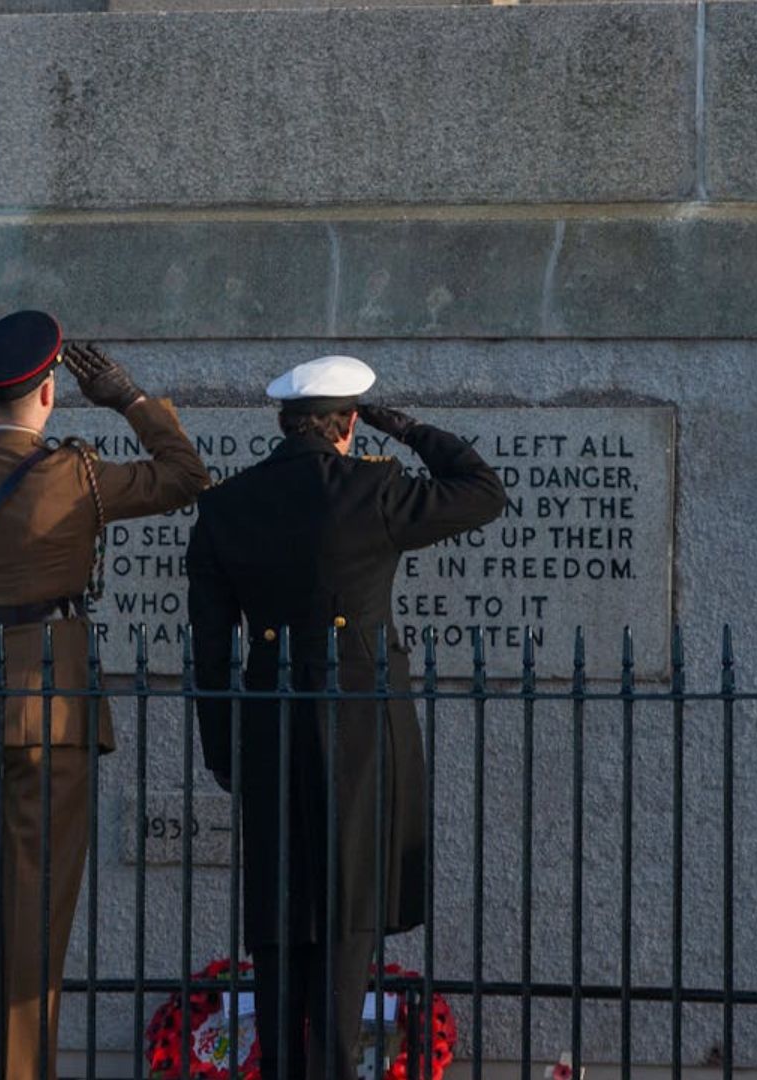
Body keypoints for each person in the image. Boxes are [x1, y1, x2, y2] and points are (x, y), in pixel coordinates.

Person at [0, 310, 208, 1080]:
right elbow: (187, 475)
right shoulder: (76, 475)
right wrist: (126, 398)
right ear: (49, 393)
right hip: (54, 715)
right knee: (39, 917)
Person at [187, 355, 505, 1080]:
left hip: (268, 722)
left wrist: (223, 751)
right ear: (350, 423)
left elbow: (210, 654)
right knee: (346, 901)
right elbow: (483, 492)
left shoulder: (227, 505)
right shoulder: (373, 488)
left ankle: (281, 1067)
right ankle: (330, 1063)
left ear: (284, 423)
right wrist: (414, 429)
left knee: (277, 905)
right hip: (360, 721)